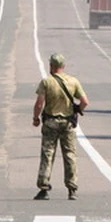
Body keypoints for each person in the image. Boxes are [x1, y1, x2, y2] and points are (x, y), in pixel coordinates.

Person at [32, 53, 89, 201]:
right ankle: (72, 189)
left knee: (48, 154)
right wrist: (78, 109)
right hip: (67, 123)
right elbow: (84, 101)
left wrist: (36, 118)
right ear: (63, 66)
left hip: (50, 122)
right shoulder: (73, 81)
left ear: (51, 66)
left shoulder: (46, 82)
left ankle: (44, 188)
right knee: (69, 154)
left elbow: (39, 103)